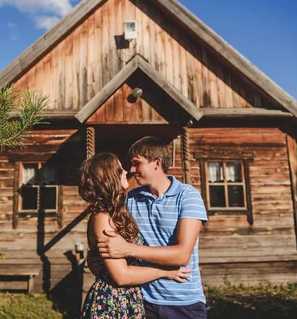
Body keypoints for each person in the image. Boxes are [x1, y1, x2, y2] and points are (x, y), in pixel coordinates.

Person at [95, 136, 209, 319]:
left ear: (157, 163)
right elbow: (104, 224)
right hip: (143, 301)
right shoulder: (130, 200)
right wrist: (95, 255)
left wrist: (128, 249)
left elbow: (182, 255)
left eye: (136, 163)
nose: (132, 170)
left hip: (183, 302)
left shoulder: (188, 196)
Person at [78, 152, 192, 319]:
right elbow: (121, 276)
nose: (126, 171)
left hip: (130, 298)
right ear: (108, 178)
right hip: (112, 302)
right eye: (119, 169)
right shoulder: (103, 218)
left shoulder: (119, 211)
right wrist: (164, 272)